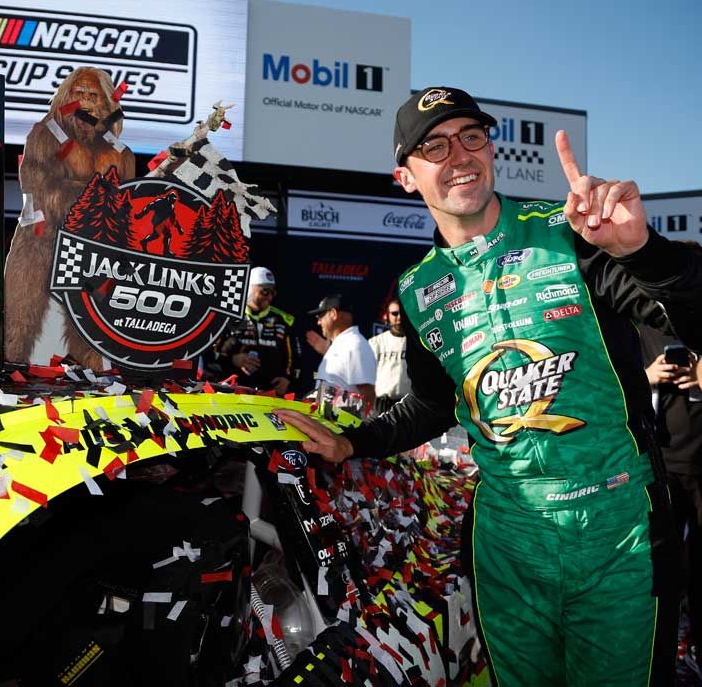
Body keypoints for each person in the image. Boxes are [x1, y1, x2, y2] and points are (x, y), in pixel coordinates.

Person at [275, 86, 702, 686]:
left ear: (491, 150)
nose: (460, 155)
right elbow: (430, 405)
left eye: (471, 137)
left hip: (619, 529)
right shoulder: (421, 288)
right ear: (405, 176)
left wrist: (645, 252)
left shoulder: (574, 234)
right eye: (435, 146)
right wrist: (353, 444)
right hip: (508, 540)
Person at [641, 322, 702, 675]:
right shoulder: (635, 311)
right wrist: (645, 376)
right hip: (660, 460)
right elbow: (605, 375)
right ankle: (660, 650)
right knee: (660, 567)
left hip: (698, 457)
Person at [208, 267, 299, 395]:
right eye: (265, 291)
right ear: (249, 289)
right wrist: (232, 360)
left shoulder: (285, 320)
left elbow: (296, 358)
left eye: (273, 292)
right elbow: (210, 355)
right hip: (232, 392)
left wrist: (288, 379)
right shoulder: (229, 317)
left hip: (270, 394)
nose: (270, 297)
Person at [308, 294, 376, 413]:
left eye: (321, 316)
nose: (319, 322)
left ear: (333, 314)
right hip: (328, 423)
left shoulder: (355, 345)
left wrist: (360, 428)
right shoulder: (341, 344)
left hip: (345, 428)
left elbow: (367, 394)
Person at [367, 300, 410, 414]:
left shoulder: (418, 343)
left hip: (409, 404)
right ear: (387, 316)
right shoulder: (375, 343)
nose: (399, 317)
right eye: (394, 313)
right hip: (381, 404)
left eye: (402, 313)